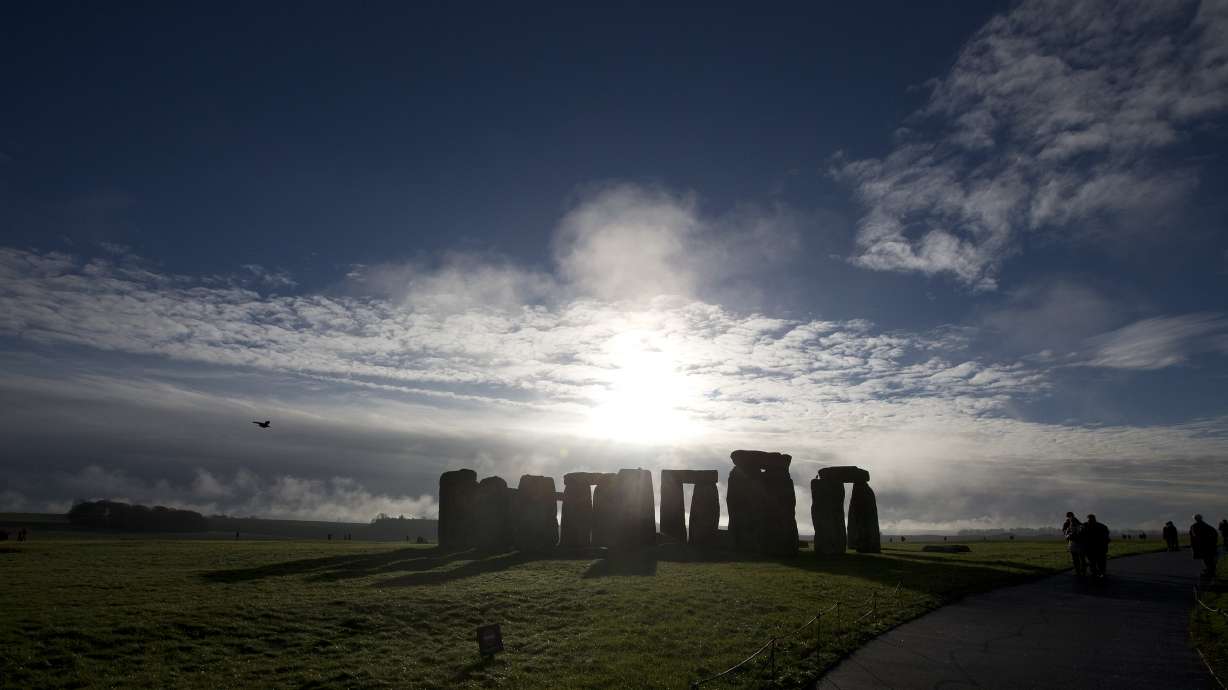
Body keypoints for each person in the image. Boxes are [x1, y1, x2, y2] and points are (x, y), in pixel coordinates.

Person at [1190, 514, 1218, 578]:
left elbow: (1194, 537)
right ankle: (1210, 571)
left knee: (1206, 559)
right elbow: (1214, 534)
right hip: (1209, 546)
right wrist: (1213, 543)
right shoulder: (1207, 526)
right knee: (1209, 559)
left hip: (1201, 546)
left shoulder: (1194, 526)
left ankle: (1209, 571)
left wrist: (1194, 545)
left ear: (1195, 519)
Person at [1082, 514, 1111, 579]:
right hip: (1099, 547)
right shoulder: (1102, 526)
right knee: (1099, 562)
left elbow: (1081, 535)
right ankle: (1101, 573)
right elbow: (1107, 537)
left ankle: (1095, 573)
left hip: (1092, 547)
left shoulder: (1085, 526)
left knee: (1093, 561)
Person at [1062, 512, 1087, 577]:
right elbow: (1066, 534)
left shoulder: (1073, 525)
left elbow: (1066, 534)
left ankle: (1080, 571)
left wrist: (1069, 535)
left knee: (1078, 559)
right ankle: (1081, 571)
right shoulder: (1078, 524)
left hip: (1076, 544)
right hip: (1075, 544)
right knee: (1079, 559)